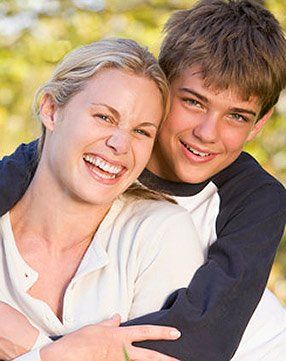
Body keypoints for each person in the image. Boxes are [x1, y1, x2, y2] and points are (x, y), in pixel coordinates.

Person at [1, 0, 286, 360]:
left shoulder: (254, 198)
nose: (207, 133)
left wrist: (38, 348)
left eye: (237, 116)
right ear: (162, 92)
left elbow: (199, 342)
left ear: (259, 124)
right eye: (194, 102)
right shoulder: (94, 157)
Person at [0, 37, 206, 361]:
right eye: (105, 117)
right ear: (52, 110)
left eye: (142, 131)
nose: (120, 144)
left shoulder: (158, 235)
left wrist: (34, 348)